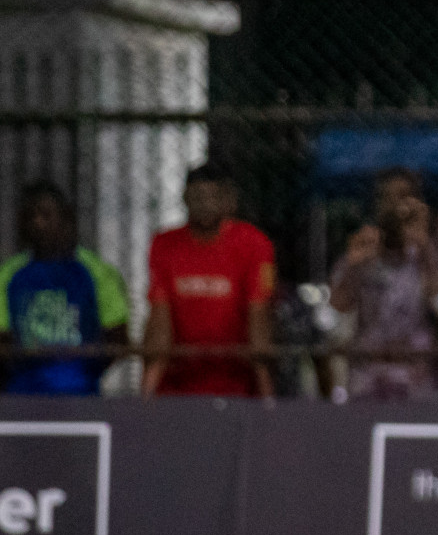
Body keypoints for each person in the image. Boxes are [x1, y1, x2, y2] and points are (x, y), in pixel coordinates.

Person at [143, 164, 276, 398]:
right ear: (184, 198)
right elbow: (160, 319)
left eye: (212, 197)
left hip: (237, 385)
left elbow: (258, 314)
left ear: (227, 199)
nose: (204, 205)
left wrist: (267, 400)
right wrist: (146, 393)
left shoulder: (254, 244)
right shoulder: (164, 245)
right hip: (178, 385)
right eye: (196, 197)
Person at [329, 168, 438, 401]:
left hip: (416, 377)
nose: (394, 207)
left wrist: (424, 245)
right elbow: (334, 313)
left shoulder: (427, 254)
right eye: (386, 198)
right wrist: (353, 265)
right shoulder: (362, 252)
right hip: (368, 375)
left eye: (402, 197)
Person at [0, 181, 128, 395]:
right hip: (21, 394)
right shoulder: (9, 274)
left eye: (46, 215)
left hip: (81, 393)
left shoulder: (97, 272)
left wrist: (82, 371)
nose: (38, 223)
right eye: (31, 216)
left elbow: (117, 336)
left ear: (66, 217)